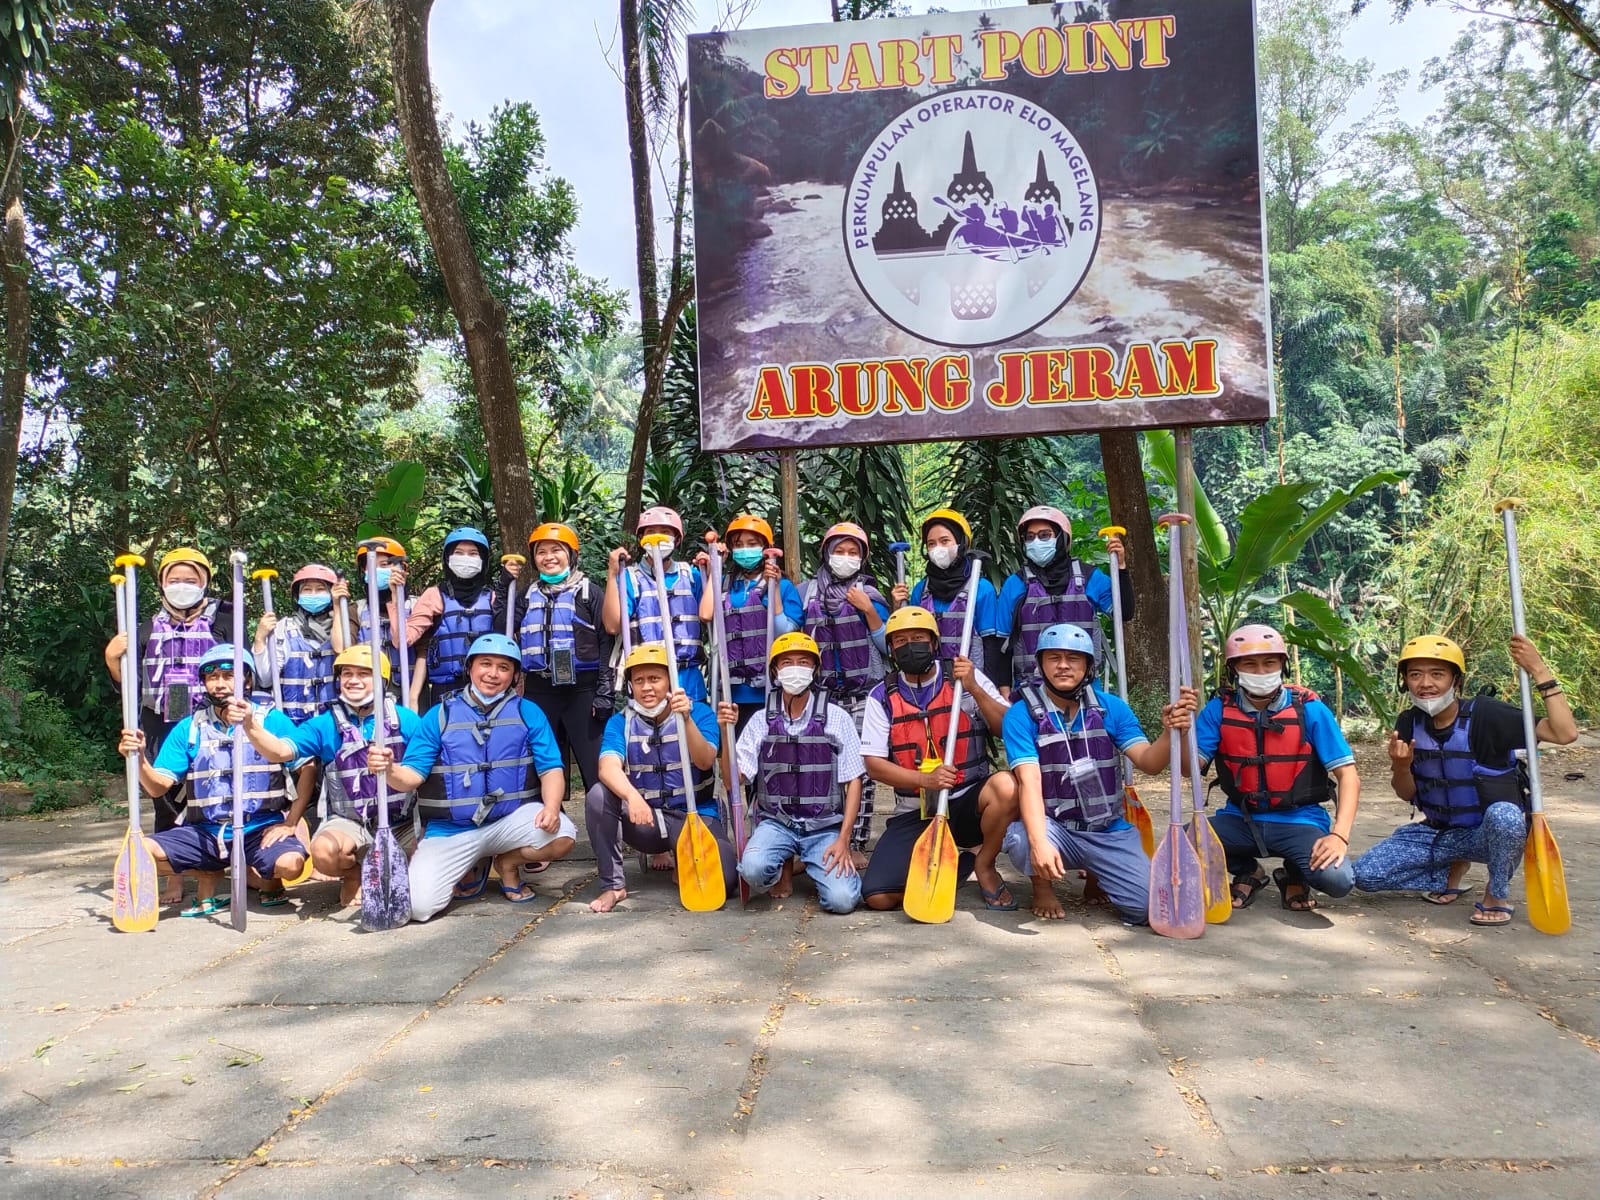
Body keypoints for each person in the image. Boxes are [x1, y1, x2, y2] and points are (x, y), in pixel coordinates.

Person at [1353, 634, 1576, 927]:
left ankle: (1496, 893)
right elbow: (1407, 793)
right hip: (1439, 832)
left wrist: (1539, 671)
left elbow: (1564, 733)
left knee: (1507, 816)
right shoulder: (1409, 722)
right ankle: (1451, 869)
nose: (1425, 683)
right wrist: (1401, 766)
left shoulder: (1488, 714)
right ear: (1404, 681)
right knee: (1365, 876)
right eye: (1415, 674)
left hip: (1488, 834)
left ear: (1456, 681)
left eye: (1437, 674)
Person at [380, 633, 577, 921]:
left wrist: (550, 807)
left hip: (509, 821)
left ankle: (507, 862)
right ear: (470, 667)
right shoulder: (439, 715)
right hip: (451, 830)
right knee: (420, 908)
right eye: (485, 664)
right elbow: (411, 776)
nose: (493, 674)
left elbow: (551, 770)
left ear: (514, 676)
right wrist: (389, 770)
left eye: (504, 667)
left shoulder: (528, 712)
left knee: (563, 835)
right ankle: (470, 863)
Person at [1003, 624, 1190, 923]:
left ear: (1089, 665)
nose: (1063, 665)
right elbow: (1029, 780)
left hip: (1107, 830)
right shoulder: (1021, 714)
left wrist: (1170, 734)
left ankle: (1097, 875)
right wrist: (1039, 842)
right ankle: (1041, 884)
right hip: (1056, 827)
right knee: (1023, 840)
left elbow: (1150, 763)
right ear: (1041, 663)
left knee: (1147, 911)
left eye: (1073, 658)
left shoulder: (1111, 708)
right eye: (1054, 657)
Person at [115, 645, 309, 917]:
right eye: (212, 677)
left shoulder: (272, 720)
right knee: (138, 853)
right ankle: (210, 870)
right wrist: (139, 760)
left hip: (260, 828)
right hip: (205, 831)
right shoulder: (189, 727)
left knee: (291, 864)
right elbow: (158, 786)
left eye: (229, 676)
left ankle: (266, 877)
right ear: (204, 683)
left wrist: (291, 822)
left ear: (248, 680)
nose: (220, 684)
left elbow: (306, 768)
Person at [1187, 624, 1360, 912]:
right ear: (1234, 669)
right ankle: (1248, 871)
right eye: (1249, 664)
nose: (1260, 671)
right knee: (1182, 847)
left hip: (1300, 820)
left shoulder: (1310, 709)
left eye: (1269, 662)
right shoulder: (1218, 710)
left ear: (1283, 664)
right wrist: (1180, 732)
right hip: (1240, 819)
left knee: (1338, 880)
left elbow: (1348, 777)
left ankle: (1294, 873)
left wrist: (1339, 836)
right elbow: (1189, 769)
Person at [858, 606, 1018, 912]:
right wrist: (924, 780)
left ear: (934, 643)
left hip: (968, 801)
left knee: (1007, 787)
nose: (910, 646)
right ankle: (961, 861)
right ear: (890, 649)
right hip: (916, 811)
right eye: (901, 641)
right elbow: (874, 765)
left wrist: (973, 688)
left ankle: (985, 865)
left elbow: (1008, 729)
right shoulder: (880, 696)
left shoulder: (964, 678)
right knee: (878, 896)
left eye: (918, 638)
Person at [239, 645, 421, 908]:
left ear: (382, 681)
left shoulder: (407, 720)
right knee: (323, 853)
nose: (353, 680)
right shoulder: (324, 724)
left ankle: (392, 864)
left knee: (423, 866)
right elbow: (280, 751)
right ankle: (353, 875)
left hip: (400, 821)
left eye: (364, 674)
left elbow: (423, 773)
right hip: (349, 822)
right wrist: (249, 724)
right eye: (347, 674)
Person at [104, 546, 232, 903]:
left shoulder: (223, 621)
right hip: (161, 720)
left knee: (212, 788)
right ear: (161, 584)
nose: (182, 586)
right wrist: (112, 659)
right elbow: (127, 687)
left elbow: (242, 668)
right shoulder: (142, 630)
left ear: (204, 583)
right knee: (164, 798)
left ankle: (219, 860)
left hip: (210, 717)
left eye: (190, 580)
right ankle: (174, 876)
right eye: (174, 580)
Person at [718, 632, 865, 913]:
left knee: (842, 901)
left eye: (803, 662)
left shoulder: (836, 717)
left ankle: (811, 863)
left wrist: (845, 839)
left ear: (814, 670)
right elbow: (731, 781)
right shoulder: (760, 720)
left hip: (823, 826)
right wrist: (727, 733)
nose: (795, 668)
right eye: (786, 662)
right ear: (775, 671)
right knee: (752, 870)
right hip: (776, 823)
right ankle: (785, 863)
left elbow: (854, 780)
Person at [584, 642, 735, 913]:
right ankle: (613, 885)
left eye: (655, 679)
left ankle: (683, 856)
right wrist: (632, 797)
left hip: (694, 814)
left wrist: (686, 720)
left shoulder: (700, 713)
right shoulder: (621, 721)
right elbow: (607, 768)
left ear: (669, 681)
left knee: (725, 881)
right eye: (639, 680)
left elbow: (704, 760)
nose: (647, 688)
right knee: (598, 795)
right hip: (646, 820)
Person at [798, 520, 889, 863]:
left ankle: (856, 842)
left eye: (853, 552)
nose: (845, 558)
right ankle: (821, 837)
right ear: (826, 553)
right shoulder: (807, 593)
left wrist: (868, 610)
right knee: (822, 767)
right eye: (839, 551)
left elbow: (887, 647)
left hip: (865, 694)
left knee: (862, 771)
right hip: (822, 696)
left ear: (862, 558)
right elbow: (789, 636)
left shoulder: (872, 594)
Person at [499, 522, 613, 796]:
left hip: (583, 693)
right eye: (541, 552)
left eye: (556, 550)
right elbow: (501, 628)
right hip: (540, 692)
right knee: (545, 770)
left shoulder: (589, 592)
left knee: (595, 771)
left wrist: (605, 691)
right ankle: (554, 829)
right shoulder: (525, 595)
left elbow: (605, 641)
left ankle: (606, 831)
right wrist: (505, 587)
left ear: (571, 555)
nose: (548, 557)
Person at [995, 505, 1133, 695]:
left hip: (1085, 688)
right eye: (1030, 537)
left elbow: (1124, 612)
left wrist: (1121, 568)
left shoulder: (1089, 577)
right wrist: (1004, 695)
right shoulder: (1015, 584)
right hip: (1030, 690)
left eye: (1044, 535)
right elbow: (1001, 646)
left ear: (1062, 538)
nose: (1036, 542)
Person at [701, 514, 801, 733]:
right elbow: (706, 614)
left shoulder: (783, 587)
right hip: (732, 694)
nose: (744, 549)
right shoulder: (726, 584)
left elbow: (785, 632)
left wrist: (773, 588)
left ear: (766, 548)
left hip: (770, 691)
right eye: (738, 545)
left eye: (752, 544)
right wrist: (716, 567)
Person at [603, 506, 708, 700]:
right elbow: (612, 626)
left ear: (676, 540)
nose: (657, 538)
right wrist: (612, 575)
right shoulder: (630, 577)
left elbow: (709, 616)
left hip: (688, 678)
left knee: (694, 727)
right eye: (650, 532)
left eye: (665, 532)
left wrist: (711, 574)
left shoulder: (692, 575)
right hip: (647, 680)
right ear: (642, 539)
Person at [899, 508, 1004, 678]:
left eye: (945, 541)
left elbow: (990, 645)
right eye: (931, 543)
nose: (937, 549)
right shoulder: (921, 589)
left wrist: (989, 688)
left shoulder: (982, 588)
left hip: (970, 686)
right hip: (931, 684)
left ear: (962, 543)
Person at [407, 527, 497, 709]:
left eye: (473, 554)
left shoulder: (493, 598)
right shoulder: (434, 595)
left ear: (483, 561)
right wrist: (393, 596)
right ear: (448, 559)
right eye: (459, 553)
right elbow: (405, 639)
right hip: (446, 688)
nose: (465, 558)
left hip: (487, 687)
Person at [252, 563, 338, 725]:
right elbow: (265, 679)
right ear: (297, 596)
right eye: (306, 590)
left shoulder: (342, 627)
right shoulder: (282, 628)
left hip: (333, 723)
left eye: (320, 589)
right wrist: (260, 638)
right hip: (293, 723)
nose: (313, 594)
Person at [350, 536, 415, 703]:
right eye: (371, 566)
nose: (376, 570)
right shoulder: (356, 609)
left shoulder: (416, 605)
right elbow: (342, 648)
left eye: (384, 565)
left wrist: (395, 596)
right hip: (369, 692)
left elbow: (413, 647)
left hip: (409, 688)